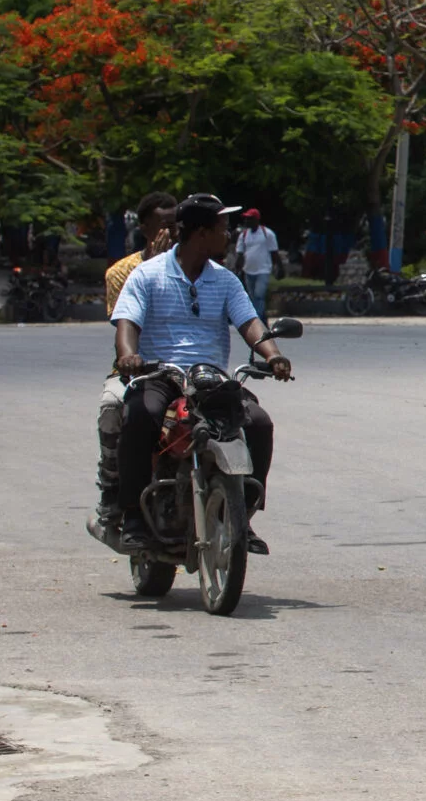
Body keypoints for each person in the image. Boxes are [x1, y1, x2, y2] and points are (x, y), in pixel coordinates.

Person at [109, 194, 293, 554]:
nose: (228, 235)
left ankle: (245, 517)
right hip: (160, 374)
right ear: (201, 233)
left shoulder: (225, 280)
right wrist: (129, 356)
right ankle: (132, 516)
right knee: (140, 415)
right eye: (222, 228)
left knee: (258, 423)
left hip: (210, 377)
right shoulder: (147, 275)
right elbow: (127, 322)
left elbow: (249, 322)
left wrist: (273, 354)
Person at [89, 192, 177, 530]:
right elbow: (126, 324)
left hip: (186, 369)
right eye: (164, 227)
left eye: (177, 227)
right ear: (145, 228)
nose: (171, 235)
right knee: (113, 409)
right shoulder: (122, 272)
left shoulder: (198, 267)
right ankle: (112, 488)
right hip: (140, 369)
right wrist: (152, 266)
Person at [230, 207, 280, 320]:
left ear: (257, 220)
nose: (247, 221)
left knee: (259, 295)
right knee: (253, 298)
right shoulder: (243, 235)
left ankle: (257, 319)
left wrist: (279, 267)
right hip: (248, 271)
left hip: (263, 270)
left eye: (250, 219)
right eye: (246, 219)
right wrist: (237, 268)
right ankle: (262, 318)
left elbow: (274, 252)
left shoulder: (267, 234)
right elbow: (240, 253)